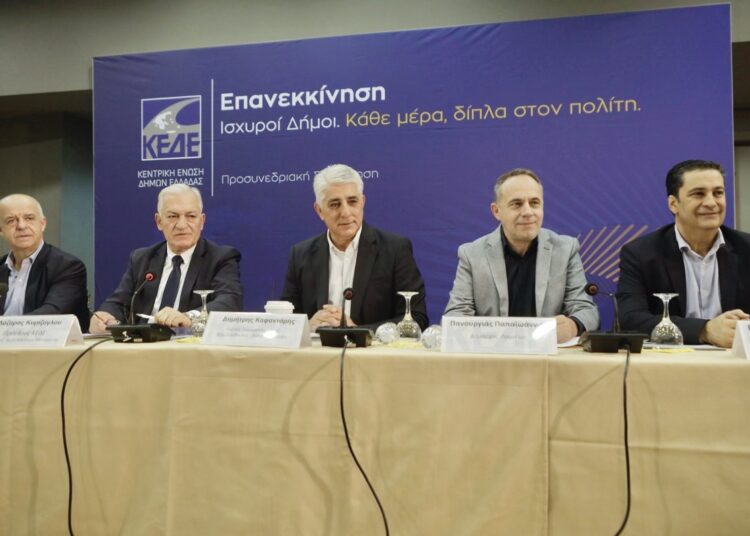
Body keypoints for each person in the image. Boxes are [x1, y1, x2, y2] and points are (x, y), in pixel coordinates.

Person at [444, 168, 599, 342]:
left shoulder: (566, 249)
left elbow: (587, 311)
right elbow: (455, 315)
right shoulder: (471, 254)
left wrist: (572, 325)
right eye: (516, 204)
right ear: (496, 211)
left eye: (534, 203)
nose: (527, 212)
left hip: (548, 354)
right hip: (493, 354)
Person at [617, 160, 750, 347]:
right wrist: (704, 330)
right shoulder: (641, 253)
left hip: (737, 359)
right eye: (698, 194)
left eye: (718, 193)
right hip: (671, 360)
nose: (711, 203)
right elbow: (631, 320)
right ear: (673, 204)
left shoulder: (746, 248)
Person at [281, 163, 428, 331]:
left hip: (371, 348)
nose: (345, 212)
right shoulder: (301, 254)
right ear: (319, 210)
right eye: (335, 204)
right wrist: (307, 326)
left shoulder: (395, 249)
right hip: (317, 347)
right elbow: (286, 320)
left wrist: (357, 331)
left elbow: (417, 318)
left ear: (362, 202)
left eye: (352, 201)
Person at [90, 184, 243, 333]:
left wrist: (188, 317)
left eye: (191, 216)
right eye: (172, 216)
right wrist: (105, 317)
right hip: (143, 343)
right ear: (159, 221)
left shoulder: (220, 258)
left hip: (189, 343)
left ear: (201, 221)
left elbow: (229, 301)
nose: (182, 225)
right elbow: (118, 302)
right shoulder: (142, 258)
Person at [0, 193, 90, 331]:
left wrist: (5, 329)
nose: (21, 226)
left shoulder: (67, 266)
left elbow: (51, 314)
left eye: (29, 218)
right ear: (1, 230)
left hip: (46, 343)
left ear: (42, 224)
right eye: (11, 221)